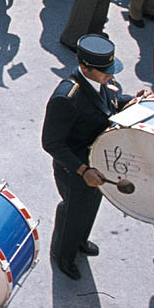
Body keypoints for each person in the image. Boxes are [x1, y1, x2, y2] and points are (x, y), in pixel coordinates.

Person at [41, 35, 129, 281]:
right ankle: (63, 255)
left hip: (98, 160)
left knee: (91, 205)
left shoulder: (102, 83)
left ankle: (80, 240)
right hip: (75, 168)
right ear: (85, 67)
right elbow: (52, 143)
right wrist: (82, 170)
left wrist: (133, 100)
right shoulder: (66, 98)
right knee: (73, 210)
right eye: (104, 71)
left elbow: (110, 104)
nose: (109, 76)